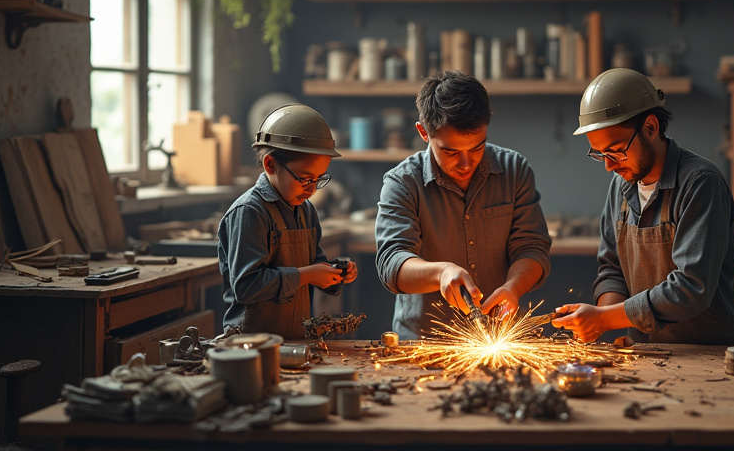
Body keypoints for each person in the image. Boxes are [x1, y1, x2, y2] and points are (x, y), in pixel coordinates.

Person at [552, 69, 734, 345]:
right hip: (647, 353)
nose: (609, 165)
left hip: (711, 353)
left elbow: (691, 288)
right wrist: (601, 319)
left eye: (616, 150)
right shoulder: (621, 185)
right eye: (600, 154)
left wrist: (606, 318)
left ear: (650, 128)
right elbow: (612, 269)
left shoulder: (701, 184)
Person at [375, 71, 552, 339]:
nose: (467, 163)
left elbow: (532, 249)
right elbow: (391, 264)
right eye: (451, 152)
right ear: (424, 132)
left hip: (500, 337)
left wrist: (514, 287)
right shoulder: (402, 183)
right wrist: (441, 273)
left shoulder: (515, 170)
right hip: (426, 343)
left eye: (477, 148)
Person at [217, 103, 358, 338]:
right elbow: (246, 286)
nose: (312, 189)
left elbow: (315, 264)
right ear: (271, 165)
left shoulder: (306, 211)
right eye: (304, 179)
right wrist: (307, 274)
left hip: (295, 339)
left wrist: (335, 274)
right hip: (250, 345)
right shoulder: (250, 212)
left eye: (319, 179)